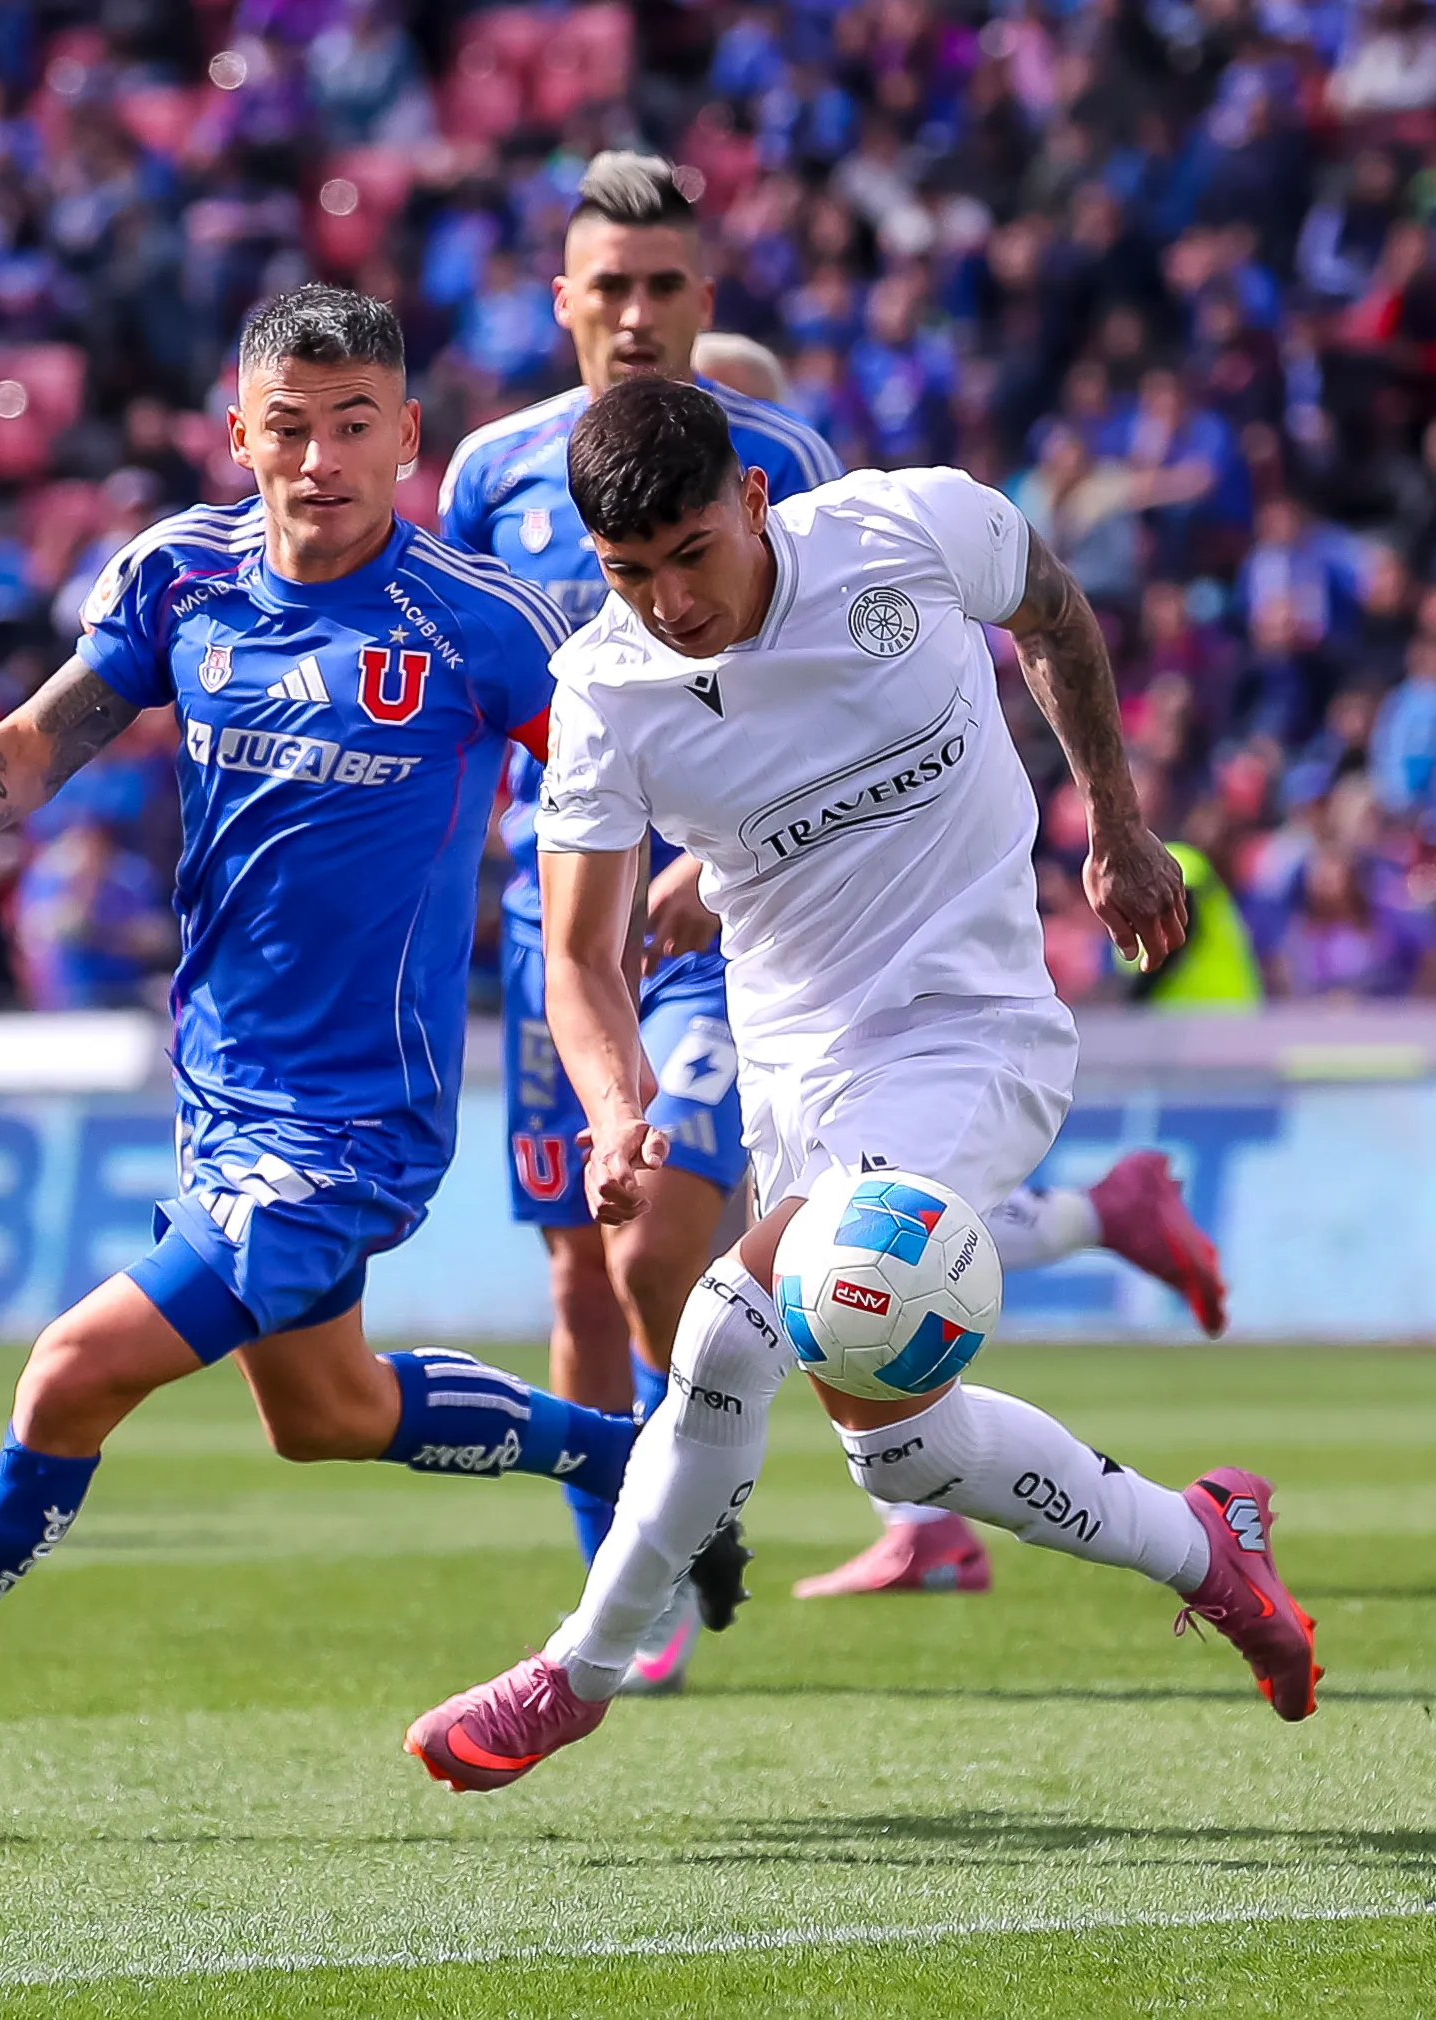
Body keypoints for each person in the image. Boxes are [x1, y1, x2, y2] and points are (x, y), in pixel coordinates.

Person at [0, 287, 659, 1791]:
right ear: (238, 434)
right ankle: (629, 1454)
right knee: (328, 1416)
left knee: (72, 1373)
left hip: (354, 1118)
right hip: (220, 1095)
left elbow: (636, 770)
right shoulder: (179, 578)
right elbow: (37, 743)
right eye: (289, 428)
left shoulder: (477, 627)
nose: (321, 459)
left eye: (355, 428)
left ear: (407, 440)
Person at [406, 381, 1320, 1792]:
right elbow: (580, 960)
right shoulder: (603, 686)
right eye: (628, 574)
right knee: (897, 1459)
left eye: (688, 554)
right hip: (799, 1083)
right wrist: (611, 1110)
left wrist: (1117, 830)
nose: (668, 599)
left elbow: (1056, 617)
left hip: (972, 1034)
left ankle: (574, 1675)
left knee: (719, 1335)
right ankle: (1206, 1544)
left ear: (751, 501)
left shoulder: (906, 527)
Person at [435, 153, 842, 1686]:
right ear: (563, 302)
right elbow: (473, 697)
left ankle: (684, 1502)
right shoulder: (489, 472)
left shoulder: (780, 457)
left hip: (729, 916)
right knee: (571, 1269)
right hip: (562, 922)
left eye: (663, 285)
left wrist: (728, 850)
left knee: (658, 1238)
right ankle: (628, 1564)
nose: (634, 314)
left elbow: (829, 685)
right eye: (607, 285)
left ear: (703, 302)